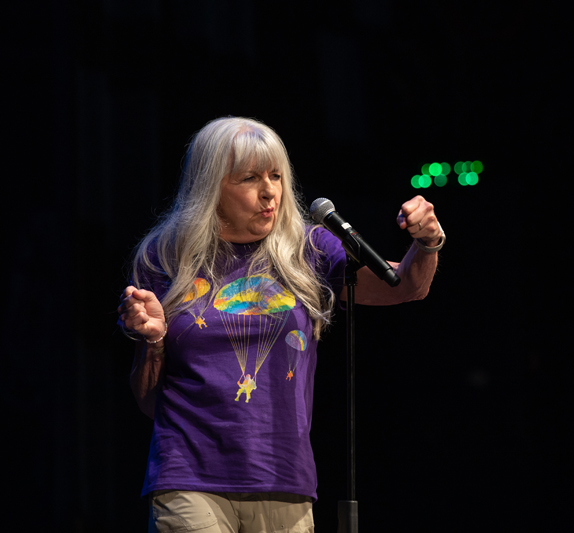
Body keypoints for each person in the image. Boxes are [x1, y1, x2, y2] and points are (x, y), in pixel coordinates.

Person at [116, 116, 444, 533]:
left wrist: (427, 242)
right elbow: (148, 402)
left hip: (284, 480)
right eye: (250, 178)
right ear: (210, 186)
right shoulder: (165, 255)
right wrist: (155, 339)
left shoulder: (309, 249)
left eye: (276, 175)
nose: (270, 192)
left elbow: (404, 287)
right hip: (188, 476)